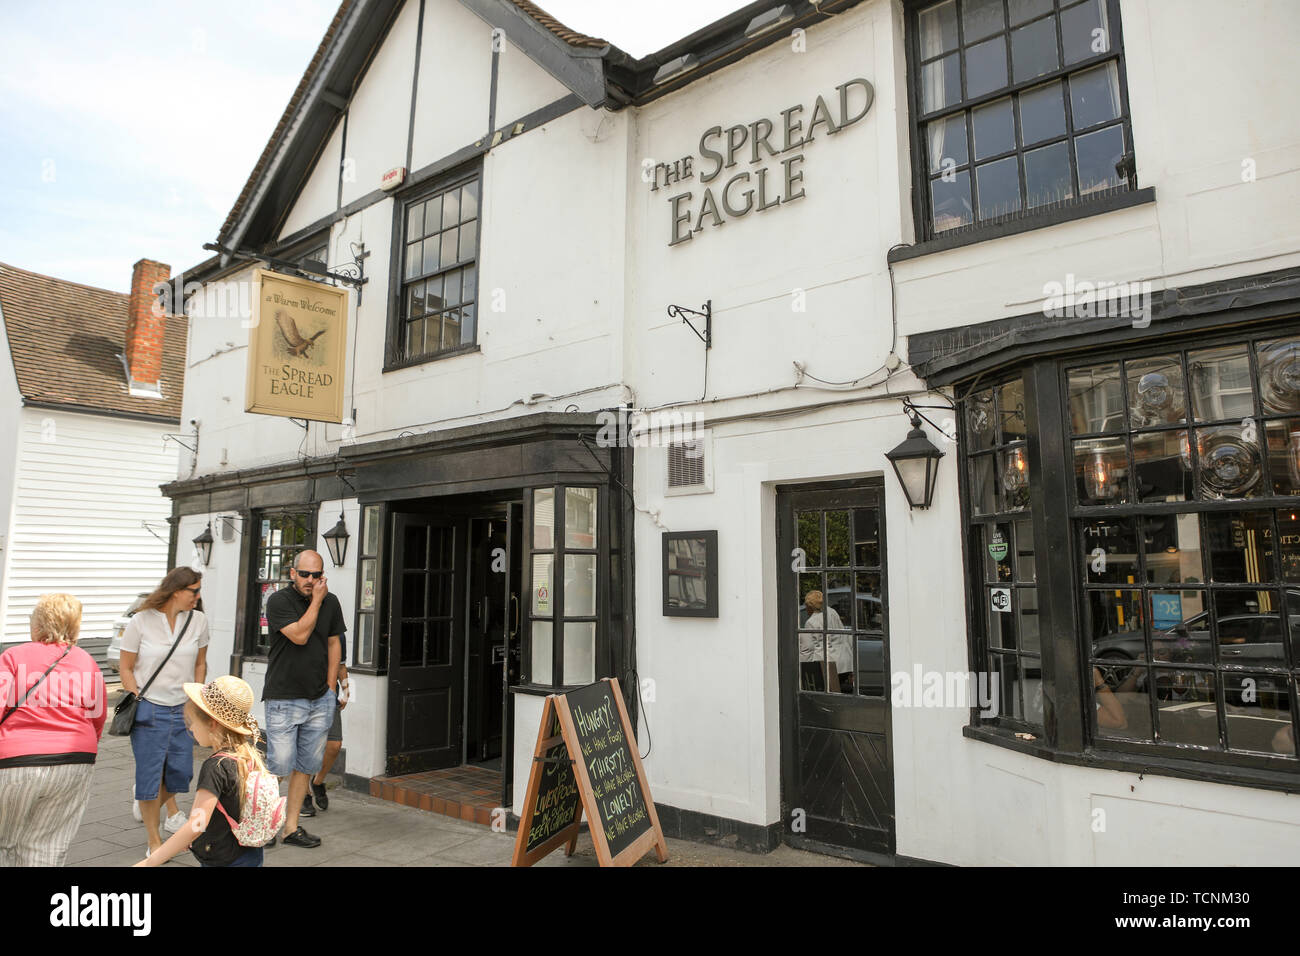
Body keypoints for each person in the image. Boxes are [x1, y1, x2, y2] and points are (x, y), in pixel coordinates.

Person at [0, 593, 107, 866]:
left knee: (4, 843)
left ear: (38, 623)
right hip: (74, 762)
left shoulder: (13, 657)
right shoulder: (88, 662)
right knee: (47, 847)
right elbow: (97, 718)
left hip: (14, 762)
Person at [119, 568, 209, 859]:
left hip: (183, 709)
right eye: (193, 591)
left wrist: (196, 697)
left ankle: (148, 802)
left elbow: (200, 663)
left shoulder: (199, 621)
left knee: (181, 774)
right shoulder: (141, 622)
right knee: (149, 776)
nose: (197, 596)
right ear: (175, 591)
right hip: (150, 708)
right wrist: (137, 697)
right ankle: (154, 840)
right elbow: (126, 667)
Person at [137, 675, 271, 867]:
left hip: (222, 860)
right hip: (250, 855)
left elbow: (196, 824)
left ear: (212, 723)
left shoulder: (216, 767)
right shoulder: (250, 757)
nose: (190, 728)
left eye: (191, 722)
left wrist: (149, 862)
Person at [263, 549, 345, 847]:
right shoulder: (278, 601)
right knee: (278, 767)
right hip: (284, 696)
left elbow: (334, 642)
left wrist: (331, 687)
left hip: (319, 698)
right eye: (306, 574)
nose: (312, 580)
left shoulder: (331, 601)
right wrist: (317, 601)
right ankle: (263, 824)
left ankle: (291, 827)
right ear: (292, 573)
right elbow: (299, 635)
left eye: (317, 575)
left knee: (305, 766)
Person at [309, 632, 349, 812]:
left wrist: (347, 692)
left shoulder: (338, 634)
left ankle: (317, 782)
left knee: (334, 745)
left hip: (328, 697)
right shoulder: (301, 629)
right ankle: (304, 796)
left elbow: (341, 666)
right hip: (302, 697)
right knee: (306, 748)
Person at [799, 590, 854, 692]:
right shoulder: (832, 612)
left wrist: (805, 666)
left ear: (810, 606)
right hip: (844, 661)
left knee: (829, 695)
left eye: (806, 605)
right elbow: (845, 635)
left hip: (827, 665)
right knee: (842, 691)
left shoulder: (810, 622)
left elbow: (808, 647)